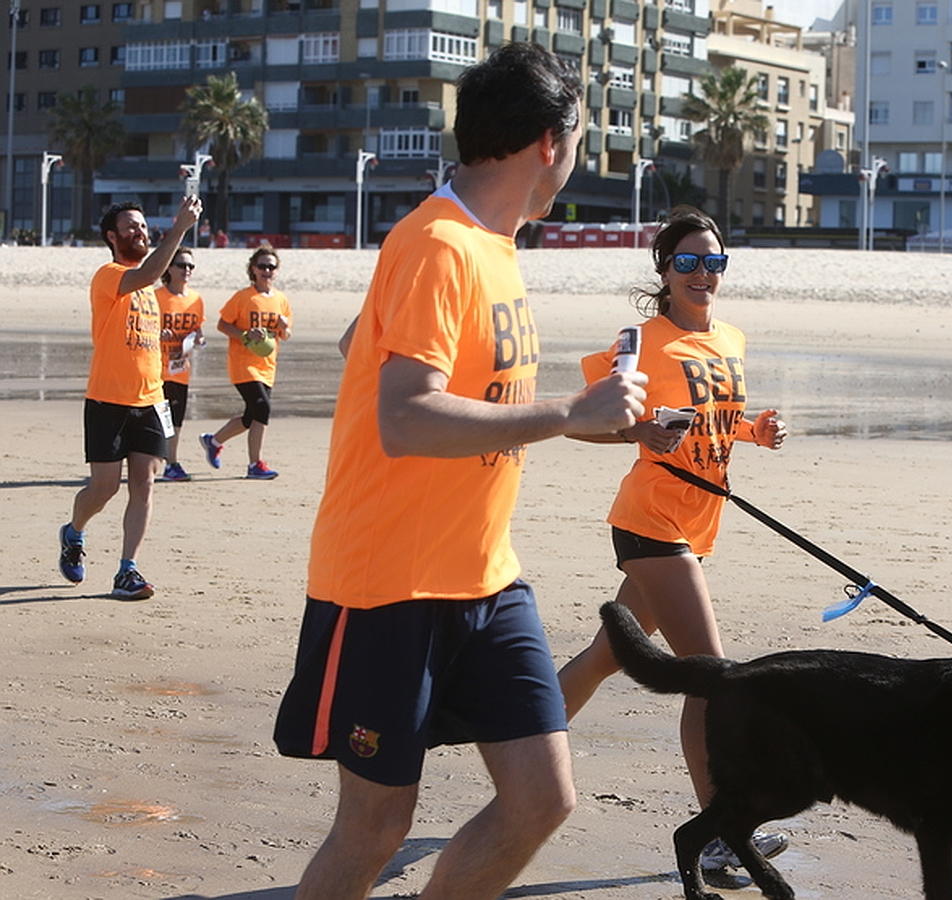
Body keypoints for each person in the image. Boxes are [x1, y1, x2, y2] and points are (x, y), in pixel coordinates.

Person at [271, 42, 645, 900]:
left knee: (541, 799)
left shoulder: (489, 245)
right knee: (374, 830)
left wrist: (586, 423)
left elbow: (370, 352)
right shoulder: (439, 243)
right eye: (583, 138)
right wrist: (563, 414)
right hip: (388, 584)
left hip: (484, 575)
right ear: (551, 142)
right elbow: (403, 416)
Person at [556, 206, 789, 875]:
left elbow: (713, 418)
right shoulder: (643, 341)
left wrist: (754, 432)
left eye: (713, 262)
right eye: (687, 261)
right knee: (711, 679)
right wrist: (634, 433)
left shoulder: (731, 339)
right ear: (664, 269)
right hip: (651, 520)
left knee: (608, 656)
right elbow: (582, 419)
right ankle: (720, 834)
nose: (702, 274)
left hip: (693, 522)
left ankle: (520, 737)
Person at [58, 195, 202, 600]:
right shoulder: (109, 275)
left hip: (151, 400)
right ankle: (74, 531)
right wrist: (180, 229)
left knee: (145, 483)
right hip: (108, 400)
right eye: (131, 227)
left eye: (143, 226)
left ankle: (127, 570)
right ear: (112, 236)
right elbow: (152, 271)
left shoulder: (150, 293)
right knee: (104, 489)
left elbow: (150, 341)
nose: (140, 231)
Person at [199, 247, 292, 480]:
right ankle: (255, 465)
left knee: (252, 416)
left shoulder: (281, 300)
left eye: (271, 267)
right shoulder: (243, 297)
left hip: (268, 366)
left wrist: (283, 327)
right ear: (253, 269)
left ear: (277, 271)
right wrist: (246, 335)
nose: (267, 271)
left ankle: (214, 441)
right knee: (263, 408)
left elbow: (286, 335)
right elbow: (223, 325)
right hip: (243, 364)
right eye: (262, 266)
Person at [155, 247, 205, 482]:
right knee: (155, 418)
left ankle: (171, 463)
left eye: (190, 266)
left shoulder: (196, 300)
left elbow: (198, 330)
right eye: (182, 265)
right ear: (169, 268)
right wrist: (157, 333)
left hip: (180, 369)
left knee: (175, 420)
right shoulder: (156, 297)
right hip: (155, 370)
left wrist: (199, 339)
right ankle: (153, 461)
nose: (187, 270)